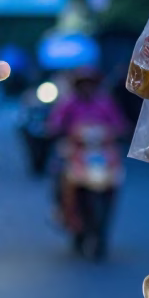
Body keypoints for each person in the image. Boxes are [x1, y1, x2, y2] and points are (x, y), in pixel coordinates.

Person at [45, 68, 128, 229]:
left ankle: (107, 209)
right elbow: (55, 122)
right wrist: (58, 130)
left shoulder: (105, 103)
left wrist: (119, 132)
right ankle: (61, 209)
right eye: (84, 84)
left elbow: (120, 124)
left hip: (100, 149)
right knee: (59, 170)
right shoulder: (69, 103)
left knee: (116, 176)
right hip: (75, 148)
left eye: (90, 84)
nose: (87, 87)